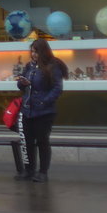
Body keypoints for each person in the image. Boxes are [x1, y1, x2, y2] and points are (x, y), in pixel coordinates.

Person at [14, 37, 67, 182]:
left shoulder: (52, 66)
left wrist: (44, 101)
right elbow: (21, 87)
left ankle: (43, 172)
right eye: (32, 52)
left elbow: (57, 88)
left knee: (42, 141)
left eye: (36, 52)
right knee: (28, 141)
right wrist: (22, 82)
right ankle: (29, 170)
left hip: (44, 112)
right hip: (28, 110)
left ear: (43, 52)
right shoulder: (29, 66)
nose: (33, 55)